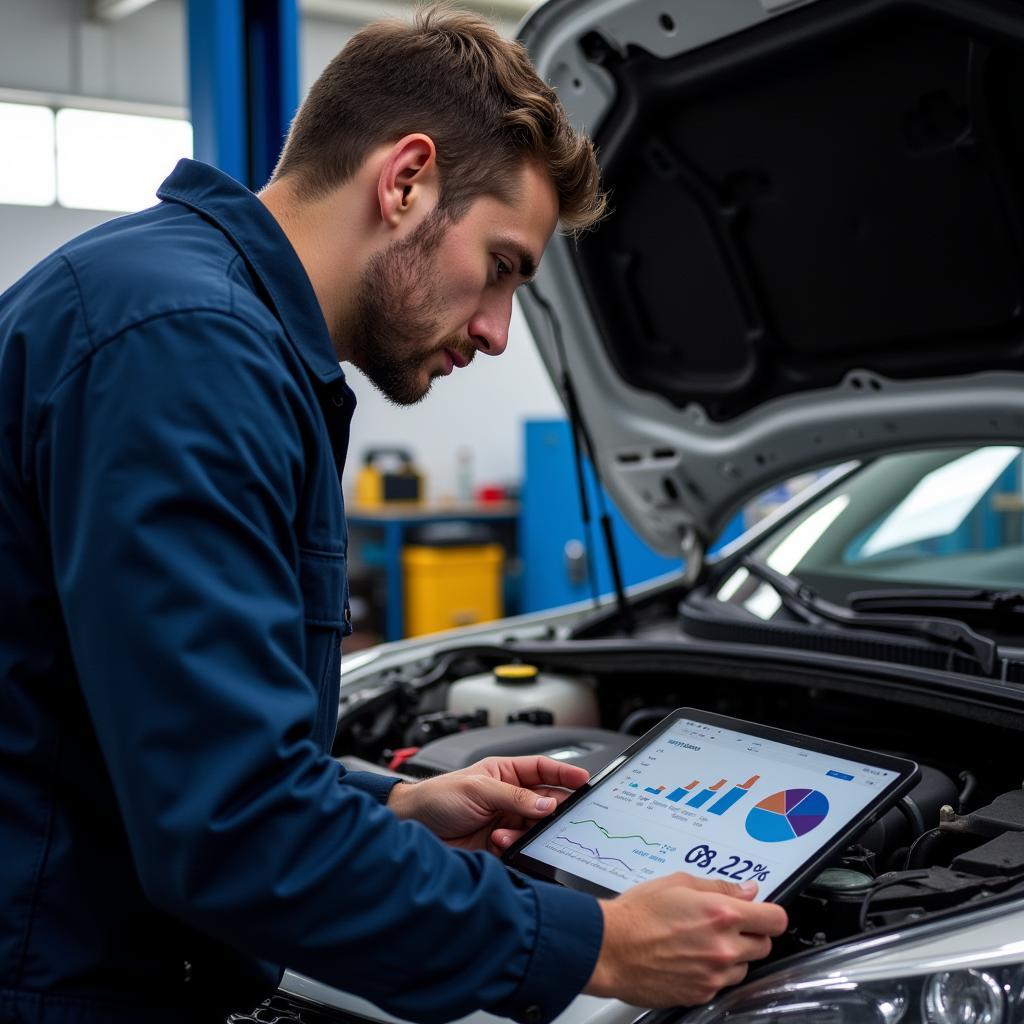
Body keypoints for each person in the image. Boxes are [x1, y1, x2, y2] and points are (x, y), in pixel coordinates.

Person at [0, 8, 787, 1023]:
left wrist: (392, 805)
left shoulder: (176, 307)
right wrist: (599, 943)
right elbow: (233, 833)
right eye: (503, 266)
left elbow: (148, 743)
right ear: (405, 180)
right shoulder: (189, 350)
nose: (501, 332)